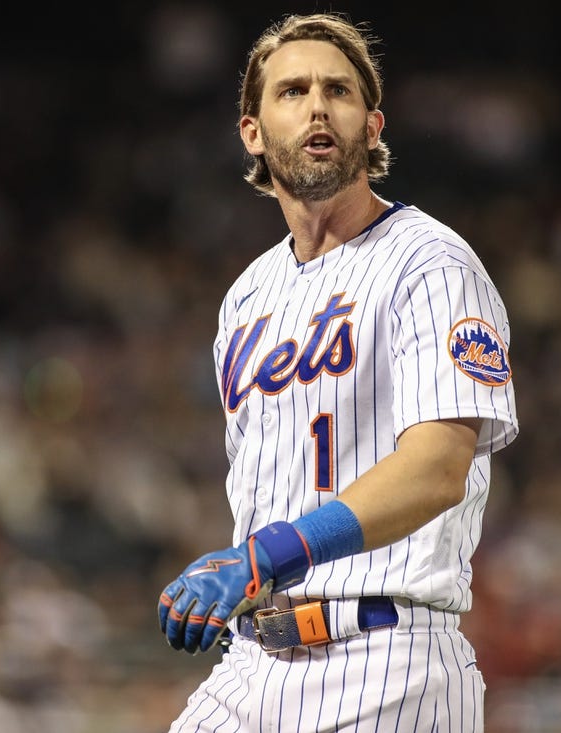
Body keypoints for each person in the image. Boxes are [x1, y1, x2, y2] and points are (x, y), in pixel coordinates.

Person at [157, 12, 519, 732]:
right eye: (292, 91)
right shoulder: (247, 298)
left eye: (339, 91)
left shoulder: (432, 263)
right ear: (252, 132)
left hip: (386, 658)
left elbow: (437, 469)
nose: (318, 105)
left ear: (373, 125)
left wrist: (267, 553)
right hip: (252, 659)